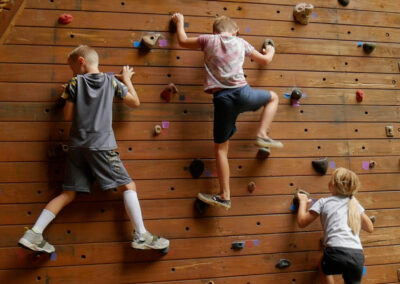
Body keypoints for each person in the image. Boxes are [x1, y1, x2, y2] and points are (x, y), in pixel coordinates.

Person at [18, 45, 169, 253]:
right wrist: (127, 80)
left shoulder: (74, 83)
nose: (72, 72)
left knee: (68, 193)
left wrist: (68, 94)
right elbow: (135, 102)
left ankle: (34, 233)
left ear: (81, 61)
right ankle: (142, 235)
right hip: (101, 146)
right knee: (129, 186)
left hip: (77, 146)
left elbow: (68, 117)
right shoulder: (111, 81)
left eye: (72, 67)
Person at [171, 13, 282, 209]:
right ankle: (262, 134)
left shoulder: (208, 40)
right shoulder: (241, 42)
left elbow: (182, 40)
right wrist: (271, 50)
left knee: (221, 149)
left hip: (222, 100)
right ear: (235, 31)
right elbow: (265, 61)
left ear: (214, 32)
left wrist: (179, 22)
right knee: (273, 97)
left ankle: (225, 196)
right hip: (243, 94)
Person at [296, 167, 374, 284]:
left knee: (323, 267)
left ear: (332, 183)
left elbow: (302, 222)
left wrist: (302, 202)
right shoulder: (354, 204)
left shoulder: (324, 202)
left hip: (335, 254)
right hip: (357, 256)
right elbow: (369, 228)